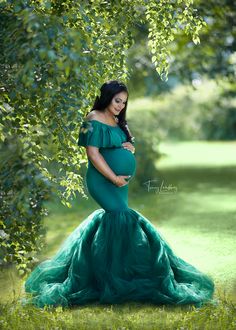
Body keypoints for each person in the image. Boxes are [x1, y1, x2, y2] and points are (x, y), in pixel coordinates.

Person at [22, 80, 215, 309]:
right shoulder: (91, 118)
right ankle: (109, 281)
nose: (120, 106)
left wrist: (130, 148)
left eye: (124, 102)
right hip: (102, 182)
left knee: (117, 222)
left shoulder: (118, 121)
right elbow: (92, 154)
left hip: (119, 183)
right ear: (107, 97)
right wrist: (113, 177)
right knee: (121, 216)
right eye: (117, 101)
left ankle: (119, 275)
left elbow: (127, 144)